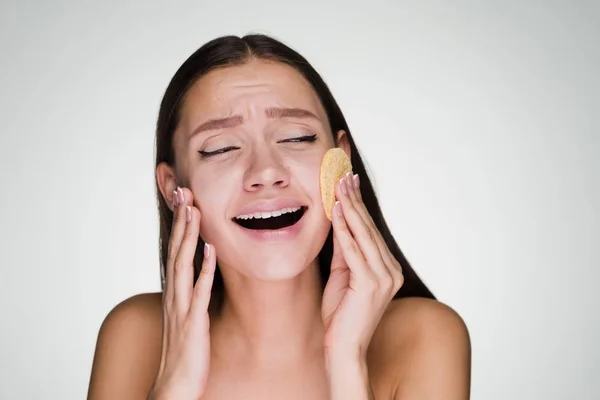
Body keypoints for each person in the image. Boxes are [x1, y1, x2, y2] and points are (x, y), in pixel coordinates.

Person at [87, 34, 471, 400]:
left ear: (340, 161)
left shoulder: (425, 336)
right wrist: (172, 387)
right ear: (173, 188)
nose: (266, 172)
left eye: (296, 138)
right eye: (221, 148)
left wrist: (347, 361)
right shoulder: (135, 336)